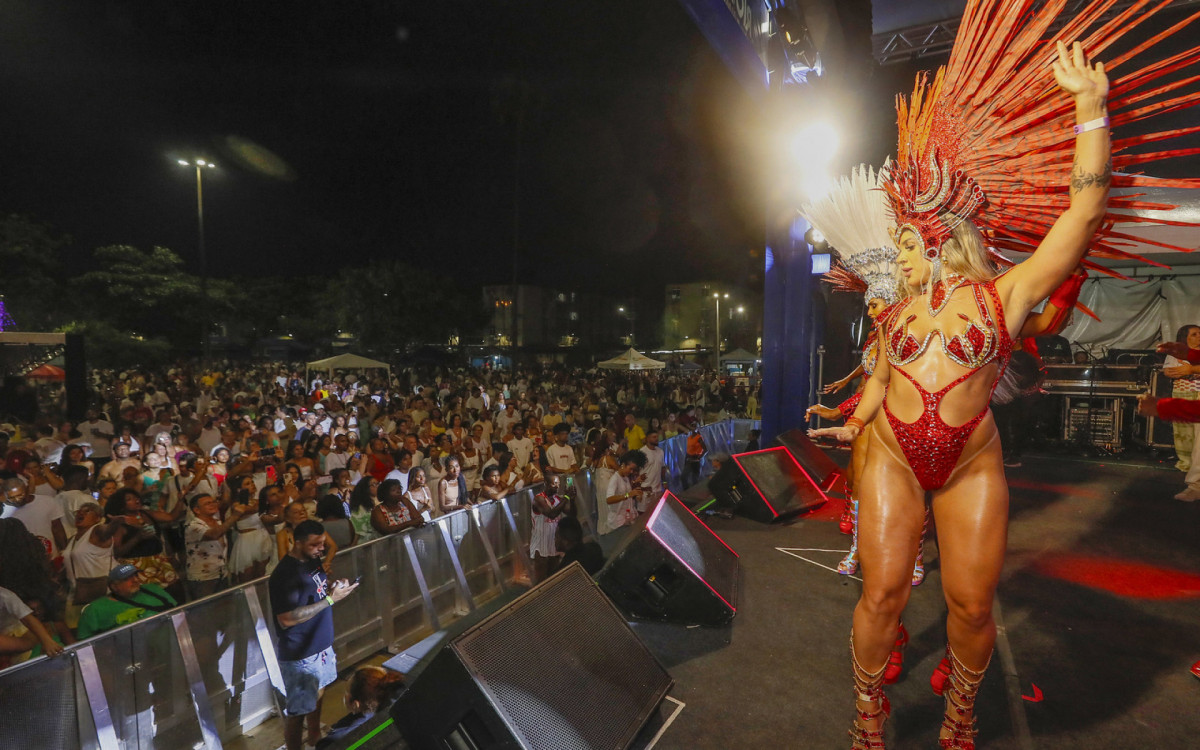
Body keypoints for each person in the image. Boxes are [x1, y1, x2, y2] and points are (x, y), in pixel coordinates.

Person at [808, 29, 1131, 746]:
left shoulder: (1005, 296)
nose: (894, 256)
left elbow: (1082, 215)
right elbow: (881, 377)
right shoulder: (892, 312)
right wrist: (854, 420)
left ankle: (960, 713)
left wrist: (1090, 112)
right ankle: (867, 717)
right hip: (893, 458)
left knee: (971, 606)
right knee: (883, 594)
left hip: (969, 461)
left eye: (901, 244)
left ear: (932, 238)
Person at [269, 519, 359, 750]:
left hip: (321, 644)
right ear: (297, 543)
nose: (322, 548)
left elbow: (318, 590)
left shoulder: (313, 561)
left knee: (318, 694)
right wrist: (330, 600)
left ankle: (316, 737)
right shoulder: (284, 575)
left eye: (323, 543)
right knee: (298, 711)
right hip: (301, 652)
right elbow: (287, 618)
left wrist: (334, 588)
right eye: (315, 545)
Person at [76, 563, 177, 639]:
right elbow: (84, 642)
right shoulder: (95, 609)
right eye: (128, 579)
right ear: (114, 586)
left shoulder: (153, 589)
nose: (135, 580)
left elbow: (178, 611)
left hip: (171, 637)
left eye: (135, 575)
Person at [185, 493, 248, 599]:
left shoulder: (217, 521)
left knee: (224, 606)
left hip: (221, 572)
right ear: (197, 510)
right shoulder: (193, 526)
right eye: (207, 503)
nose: (213, 504)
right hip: (203, 577)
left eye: (214, 502)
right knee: (207, 610)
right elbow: (214, 534)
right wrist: (235, 516)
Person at [1163, 325, 1200, 501]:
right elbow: (1168, 371)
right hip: (1185, 396)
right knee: (1186, 435)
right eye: (1194, 334)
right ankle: (1194, 481)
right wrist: (1182, 372)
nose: (1199, 336)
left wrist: (1191, 370)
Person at [529, 473, 573, 583]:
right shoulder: (538, 499)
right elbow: (551, 514)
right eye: (554, 484)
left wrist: (572, 499)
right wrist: (566, 497)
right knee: (541, 578)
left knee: (554, 575)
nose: (557, 486)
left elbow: (571, 513)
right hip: (541, 542)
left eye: (558, 483)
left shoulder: (558, 498)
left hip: (554, 541)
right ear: (546, 484)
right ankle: (539, 599)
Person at [603, 451, 646, 540]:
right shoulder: (615, 478)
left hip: (627, 519)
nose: (631, 472)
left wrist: (637, 495)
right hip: (618, 522)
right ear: (623, 465)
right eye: (630, 469)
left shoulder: (625, 478)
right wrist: (628, 495)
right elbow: (609, 499)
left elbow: (629, 495)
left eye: (633, 470)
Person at [638, 429, 666, 512]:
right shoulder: (642, 452)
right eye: (654, 437)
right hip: (646, 490)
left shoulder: (660, 451)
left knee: (656, 513)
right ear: (647, 439)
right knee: (643, 514)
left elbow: (663, 468)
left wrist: (664, 482)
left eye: (657, 437)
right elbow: (636, 472)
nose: (656, 438)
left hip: (657, 490)